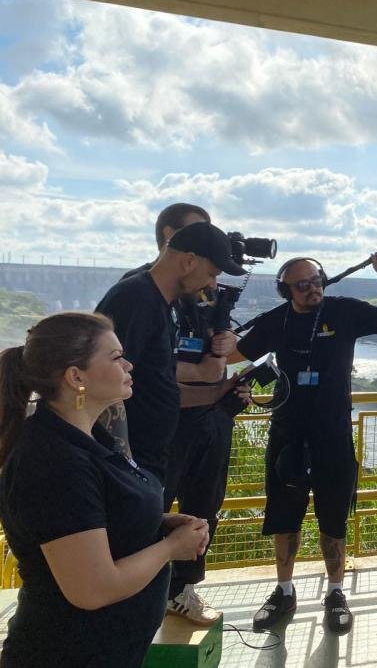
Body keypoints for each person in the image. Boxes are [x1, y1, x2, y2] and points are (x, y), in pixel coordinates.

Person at [0, 312, 209, 667]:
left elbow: (92, 516)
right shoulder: (53, 461)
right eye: (115, 357)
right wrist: (171, 547)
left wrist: (155, 523)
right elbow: (92, 589)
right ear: (76, 376)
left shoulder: (91, 437)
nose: (128, 364)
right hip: (65, 654)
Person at [235, 253, 377, 634]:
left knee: (333, 519)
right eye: (303, 284)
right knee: (284, 516)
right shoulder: (275, 321)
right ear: (287, 291)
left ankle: (335, 593)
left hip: (332, 435)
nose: (313, 288)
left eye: (317, 280)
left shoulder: (343, 311)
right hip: (287, 434)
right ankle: (284, 590)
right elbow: (233, 353)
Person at [122, 203, 246, 626]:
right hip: (143, 443)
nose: (213, 282)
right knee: (141, 525)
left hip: (189, 425)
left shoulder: (171, 299)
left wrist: (221, 381)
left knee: (197, 511)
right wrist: (205, 377)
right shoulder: (138, 295)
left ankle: (173, 593)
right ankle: (138, 601)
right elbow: (132, 373)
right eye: (212, 271)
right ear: (184, 253)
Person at [95, 221, 248, 485]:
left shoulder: (165, 306)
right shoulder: (135, 300)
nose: (212, 284)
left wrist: (217, 393)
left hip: (150, 457)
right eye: (212, 273)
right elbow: (105, 383)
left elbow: (158, 385)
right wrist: (123, 461)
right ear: (189, 261)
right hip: (130, 462)